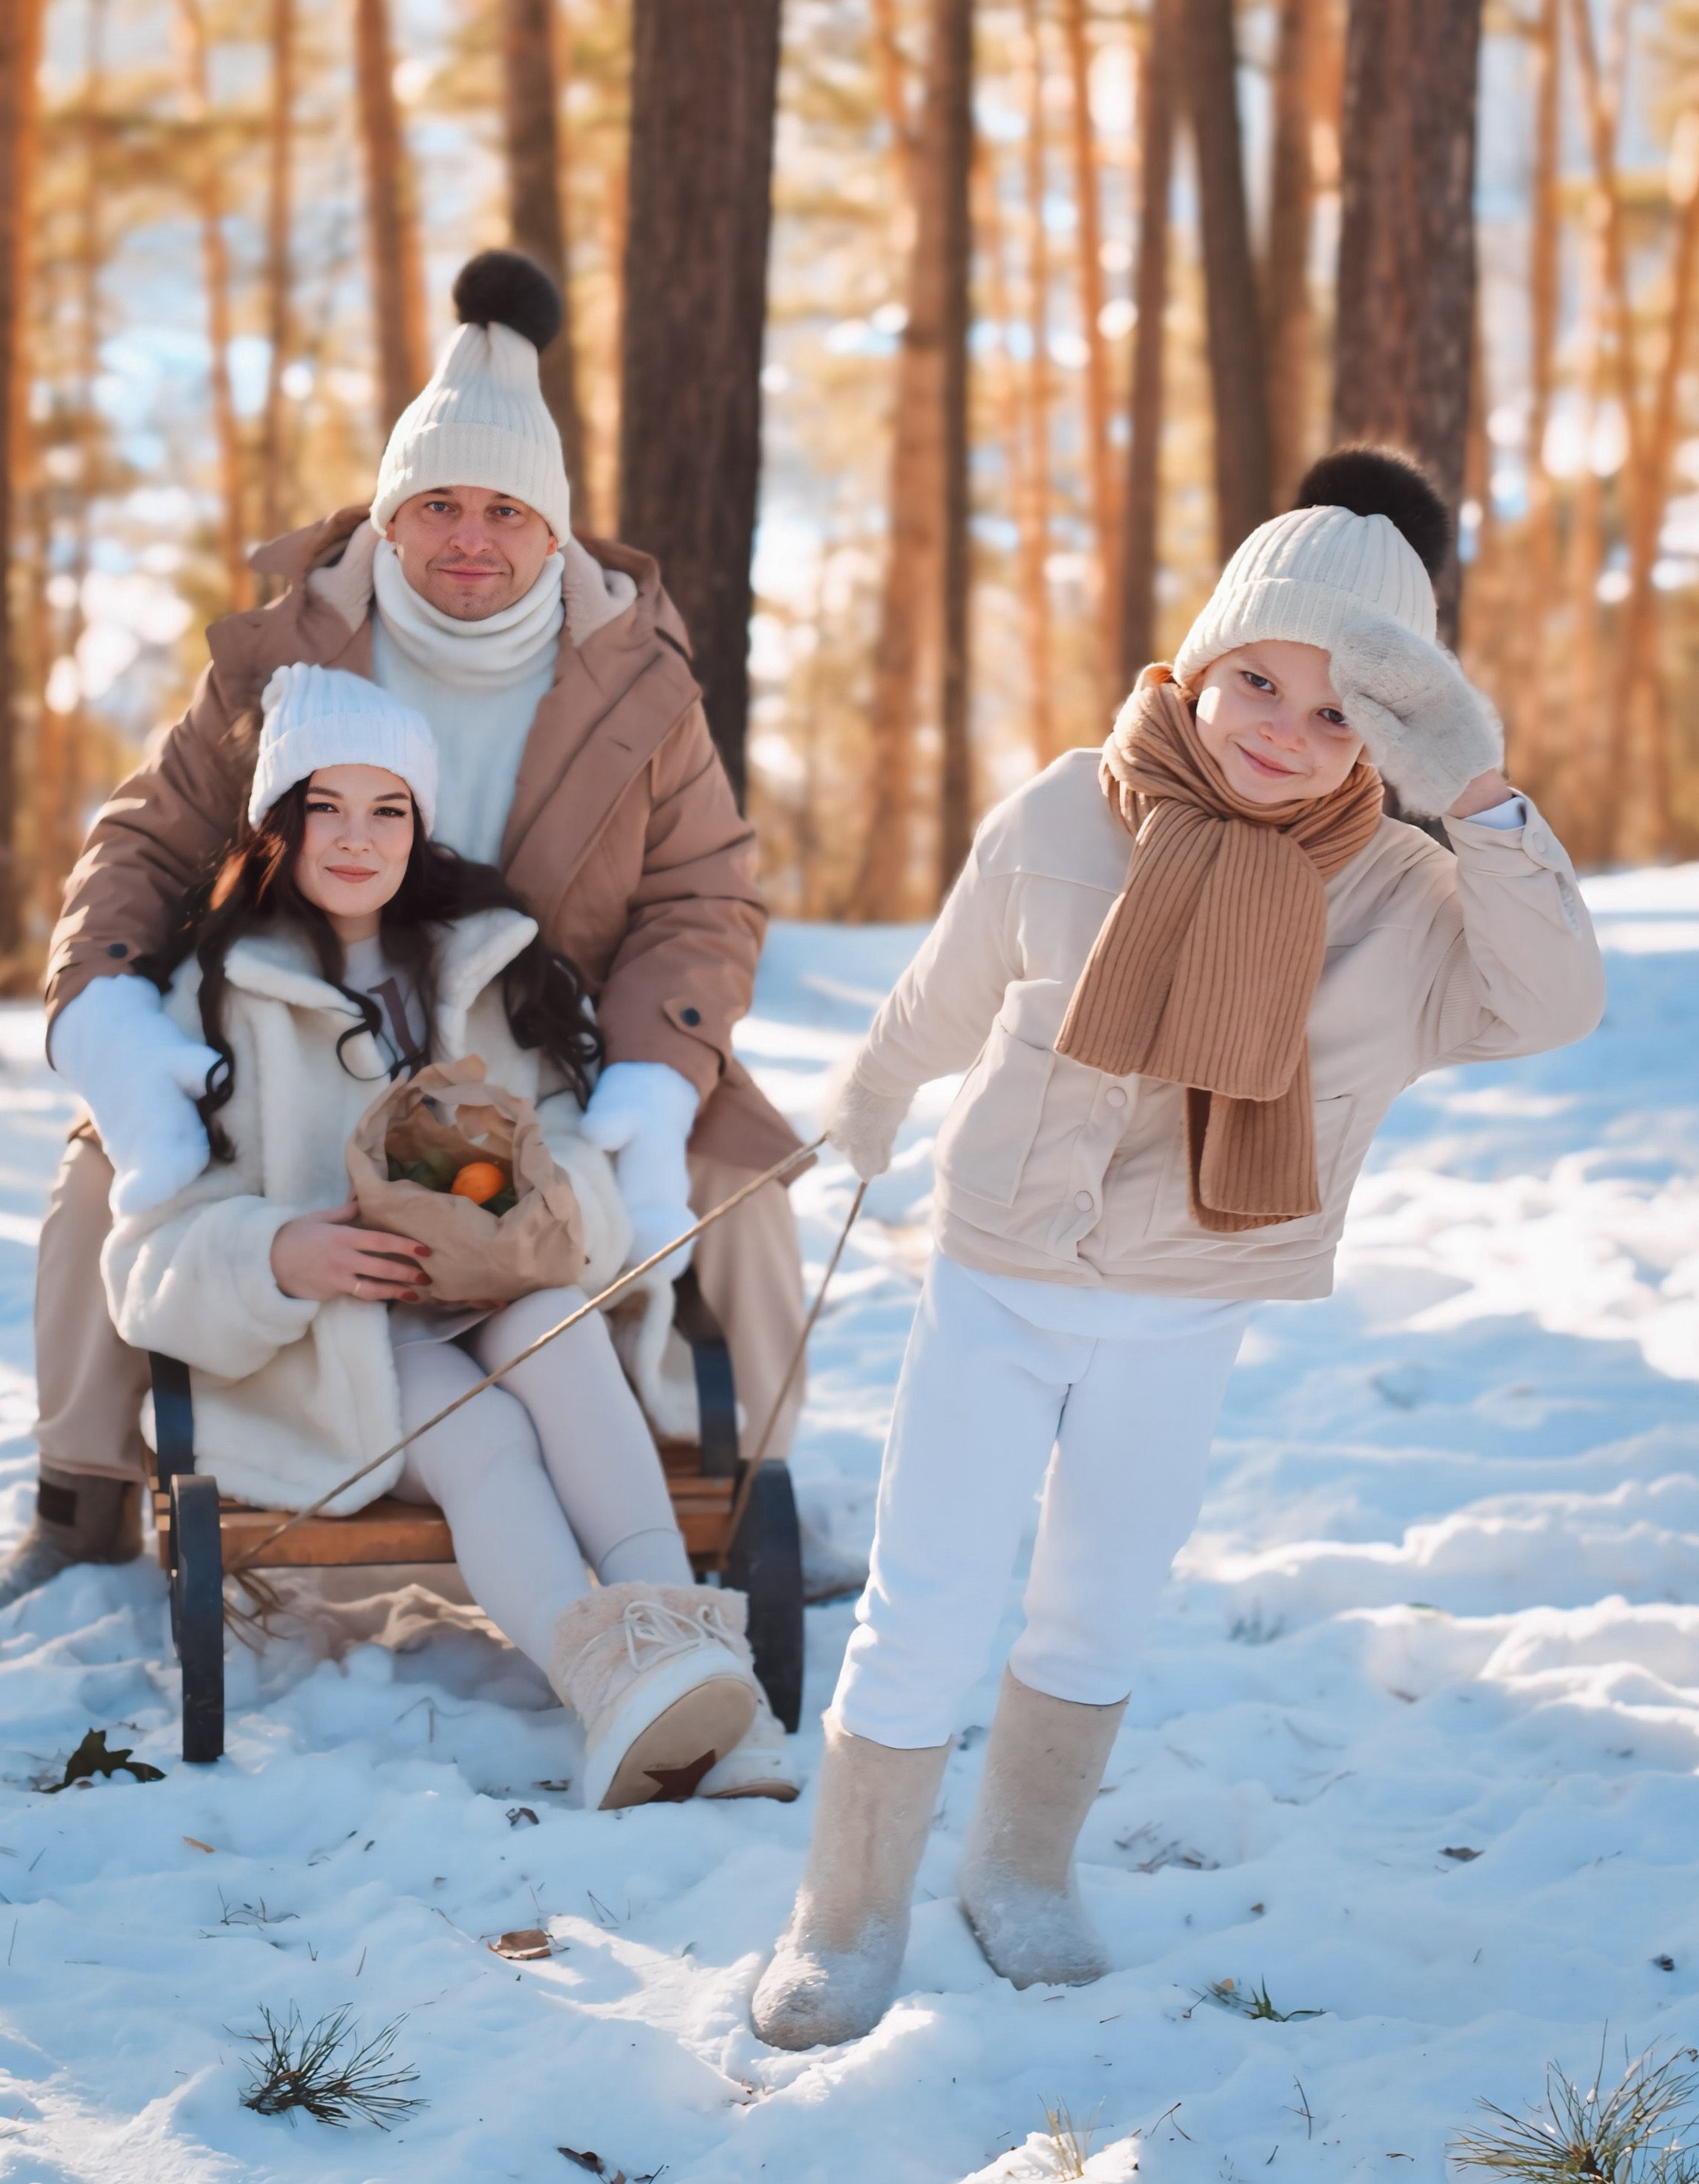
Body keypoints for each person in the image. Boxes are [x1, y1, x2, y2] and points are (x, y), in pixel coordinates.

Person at [751, 449, 1608, 2046]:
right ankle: (847, 1908)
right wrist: (866, 1103)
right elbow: (939, 989)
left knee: (1099, 1599)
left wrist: (1481, 792)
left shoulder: (1407, 899)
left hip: (1186, 1301)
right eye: (1258, 680)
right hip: (998, 1276)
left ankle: (1021, 1869)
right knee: (927, 1597)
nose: (1286, 728)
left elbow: (1556, 1001)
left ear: (1394, 732)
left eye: (1342, 710)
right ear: (1200, 656)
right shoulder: (1067, 814)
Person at [4, 248, 806, 1606]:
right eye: (437, 504)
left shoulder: (640, 687)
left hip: (555, 1035)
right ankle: (83, 1495)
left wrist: (653, 1072)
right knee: (102, 1187)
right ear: (389, 517)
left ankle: (742, 1480)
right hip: (299, 1020)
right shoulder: (292, 660)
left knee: (741, 1189)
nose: (471, 539)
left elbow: (706, 894)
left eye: (506, 510)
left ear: (553, 532)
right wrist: (117, 1020)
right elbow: (144, 840)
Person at [103, 662, 786, 1808]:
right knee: (479, 1438)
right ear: (280, 820)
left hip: (497, 1288)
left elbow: (576, 1158)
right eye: (326, 807)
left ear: (420, 826)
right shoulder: (216, 995)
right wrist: (279, 1254)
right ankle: (613, 1692)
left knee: (561, 1345)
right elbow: (152, 1254)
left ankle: (704, 1681)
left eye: (389, 810)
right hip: (338, 1336)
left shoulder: (490, 964)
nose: (357, 839)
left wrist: (519, 1215)